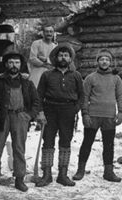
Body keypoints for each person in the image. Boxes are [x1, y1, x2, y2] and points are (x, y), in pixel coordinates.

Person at [0, 49, 41, 192]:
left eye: (16, 62)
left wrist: (29, 115)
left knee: (19, 149)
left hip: (20, 117)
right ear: (6, 64)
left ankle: (19, 179)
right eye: (10, 62)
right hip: (1, 118)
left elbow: (36, 102)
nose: (14, 65)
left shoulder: (27, 83)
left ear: (20, 65)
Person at [34, 45, 85, 187]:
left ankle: (63, 175)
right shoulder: (47, 75)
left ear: (70, 59)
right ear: (56, 58)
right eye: (60, 55)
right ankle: (47, 175)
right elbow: (39, 95)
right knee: (48, 141)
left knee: (65, 142)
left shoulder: (76, 75)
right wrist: (40, 112)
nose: (63, 58)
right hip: (50, 110)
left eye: (66, 55)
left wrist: (75, 109)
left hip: (68, 111)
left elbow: (82, 96)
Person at [73, 50, 122, 183]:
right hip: (93, 116)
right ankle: (80, 170)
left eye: (107, 59)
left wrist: (121, 112)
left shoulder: (116, 78)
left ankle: (108, 172)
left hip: (109, 117)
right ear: (97, 62)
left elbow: (120, 96)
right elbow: (84, 97)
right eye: (102, 59)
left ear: (110, 62)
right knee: (87, 142)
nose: (104, 62)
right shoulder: (91, 78)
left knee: (109, 145)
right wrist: (85, 114)